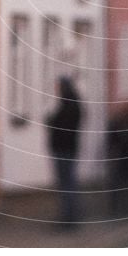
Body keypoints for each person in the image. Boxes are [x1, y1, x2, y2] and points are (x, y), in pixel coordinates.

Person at [45, 76, 83, 229]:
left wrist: (52, 122)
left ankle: (68, 218)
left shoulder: (68, 106)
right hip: (68, 149)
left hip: (63, 149)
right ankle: (70, 216)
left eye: (58, 87)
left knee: (66, 185)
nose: (57, 90)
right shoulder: (73, 105)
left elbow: (62, 127)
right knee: (68, 184)